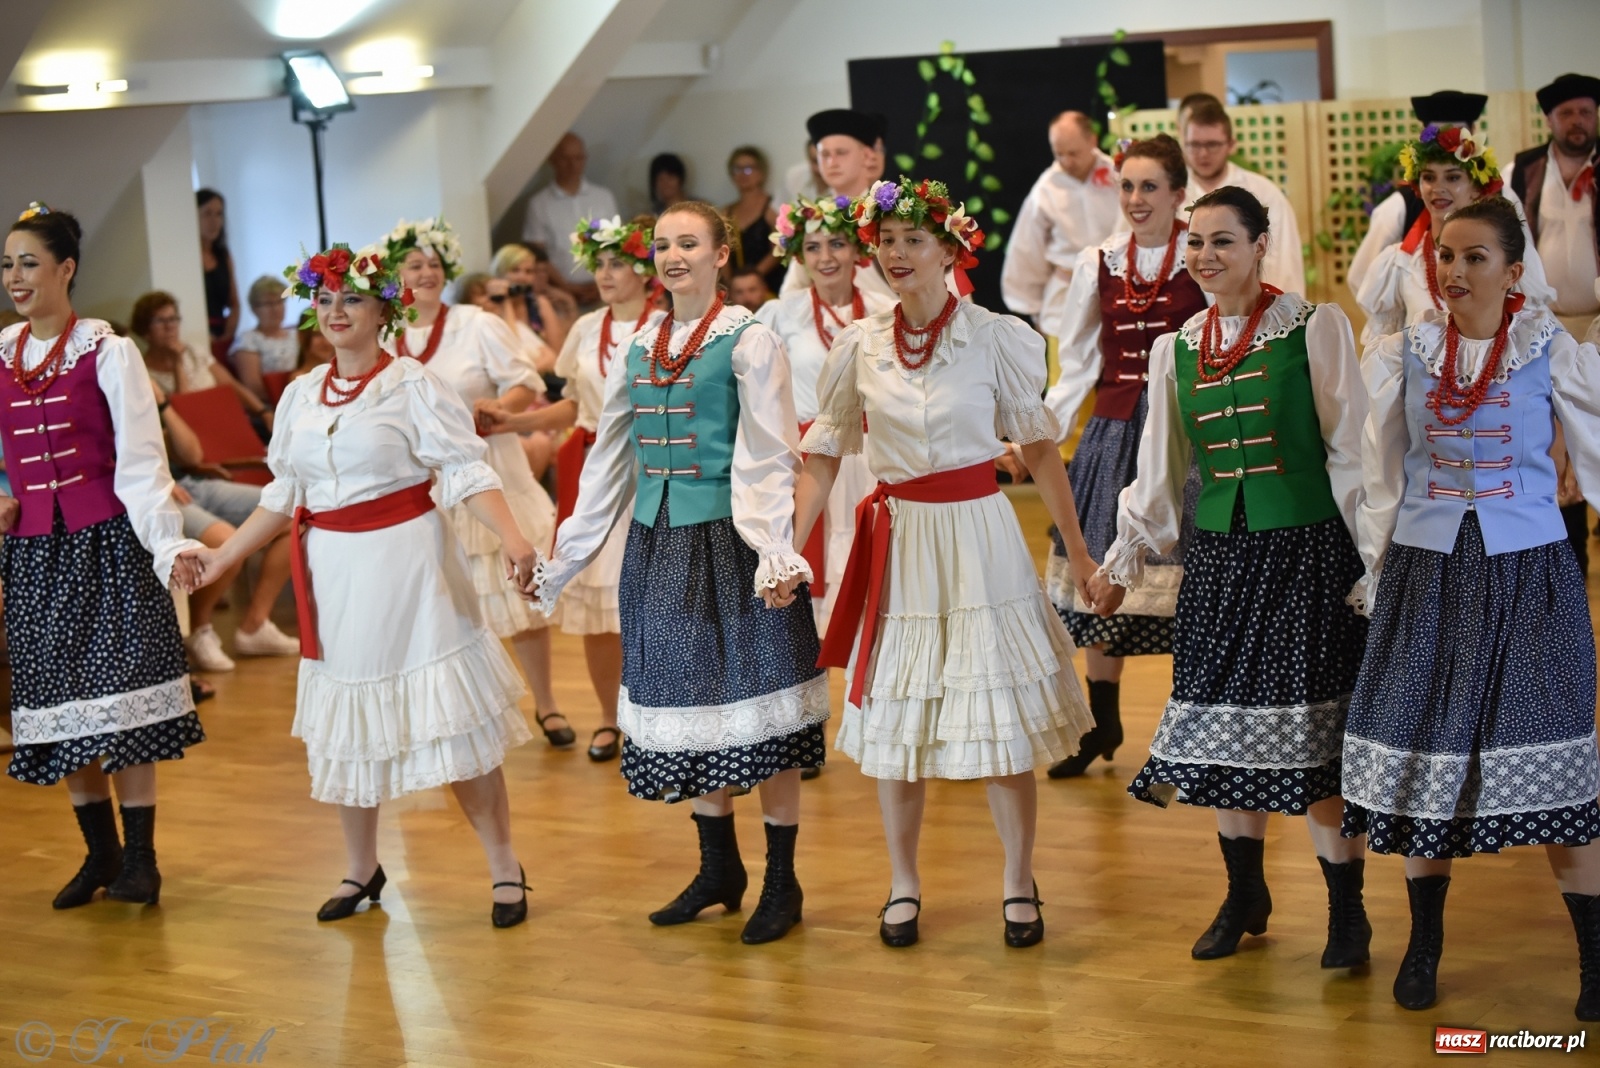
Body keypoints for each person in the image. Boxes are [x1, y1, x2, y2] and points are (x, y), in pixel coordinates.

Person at [181, 242, 540, 927]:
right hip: (335, 572)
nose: (336, 311)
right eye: (324, 299)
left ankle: (503, 867)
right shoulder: (299, 396)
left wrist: (516, 541)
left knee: (451, 721)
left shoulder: (411, 383)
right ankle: (360, 867)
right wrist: (223, 562)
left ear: (383, 309)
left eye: (352, 298)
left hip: (412, 568)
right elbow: (284, 494)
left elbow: (465, 472)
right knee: (347, 723)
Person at [793, 176, 1095, 949]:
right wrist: (786, 550)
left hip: (980, 535)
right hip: (901, 538)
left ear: (949, 250)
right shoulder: (857, 346)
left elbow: (1039, 451)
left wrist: (1082, 553)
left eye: (913, 241)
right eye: (886, 242)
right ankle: (902, 883)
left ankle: (1018, 880)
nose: (896, 254)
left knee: (999, 714)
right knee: (897, 712)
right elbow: (823, 456)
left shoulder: (996, 336)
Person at [1088, 186, 1372, 969]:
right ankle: (1244, 893)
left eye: (1223, 241)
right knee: (1226, 733)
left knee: (1313, 742)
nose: (1206, 257)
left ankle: (1347, 913)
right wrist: (1124, 558)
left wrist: (1374, 559)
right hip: (1219, 559)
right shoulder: (1175, 347)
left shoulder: (1315, 328)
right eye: (1197, 244)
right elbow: (1159, 469)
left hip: (1307, 554)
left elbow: (1352, 451)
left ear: (1259, 245)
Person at [531, 201, 825, 945]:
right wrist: (563, 559)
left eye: (688, 243)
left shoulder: (750, 340)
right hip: (659, 546)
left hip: (735, 545)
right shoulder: (638, 344)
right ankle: (718, 868)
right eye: (661, 244)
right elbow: (607, 466)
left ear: (722, 255)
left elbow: (766, 453)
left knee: (764, 706)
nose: (673, 256)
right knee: (693, 707)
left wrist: (772, 548)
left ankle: (783, 882)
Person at [1343, 196, 1600, 1019]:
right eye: (1445, 257)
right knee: (1427, 763)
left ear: (1515, 271)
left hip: (1529, 572)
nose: (1455, 271)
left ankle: (1596, 962)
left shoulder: (1551, 348)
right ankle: (1423, 946)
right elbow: (1372, 467)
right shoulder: (1402, 352)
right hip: (1428, 574)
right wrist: (1369, 561)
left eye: (1476, 257)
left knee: (1555, 763)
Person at [1, 202, 206, 910]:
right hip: (34, 556)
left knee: (123, 704)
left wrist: (168, 542)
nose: (16, 277)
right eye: (7, 264)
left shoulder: (110, 351)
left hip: (109, 545)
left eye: (29, 262)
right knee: (59, 705)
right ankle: (100, 854)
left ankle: (142, 860)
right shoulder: (0, 355)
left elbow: (143, 466)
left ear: (66, 268)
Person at [1040, 134, 1209, 780]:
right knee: (1100, 589)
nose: (1136, 200)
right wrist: (1044, 432)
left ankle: (1186, 737)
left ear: (1177, 194)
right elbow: (1080, 360)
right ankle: (1100, 721)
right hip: (1114, 433)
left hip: (1187, 435)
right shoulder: (1100, 262)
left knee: (1189, 590)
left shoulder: (1202, 252)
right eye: (1128, 187)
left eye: (1150, 188)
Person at [482, 214, 663, 763]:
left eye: (619, 263)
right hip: (597, 473)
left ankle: (665, 721)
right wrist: (509, 424)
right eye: (600, 264)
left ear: (645, 268)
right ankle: (610, 720)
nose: (606, 274)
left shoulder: (672, 323)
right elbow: (577, 407)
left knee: (659, 602)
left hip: (658, 470)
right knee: (600, 604)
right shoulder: (587, 328)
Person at [383, 218, 569, 750]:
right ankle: (461, 714)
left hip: (487, 468)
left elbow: (525, 382)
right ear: (396, 277)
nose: (425, 273)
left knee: (518, 601)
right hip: (421, 483)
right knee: (442, 606)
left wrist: (500, 408)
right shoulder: (382, 331)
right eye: (414, 265)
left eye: (434, 265)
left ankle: (548, 705)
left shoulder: (476, 323)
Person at [756, 194, 894, 632]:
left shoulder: (885, 311)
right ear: (799, 256)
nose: (826, 257)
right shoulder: (781, 314)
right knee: (812, 592)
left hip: (874, 453)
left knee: (875, 576)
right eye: (813, 247)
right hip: (812, 458)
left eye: (836, 244)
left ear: (857, 249)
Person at [1356, 124, 1552, 349]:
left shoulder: (1503, 256)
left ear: (1477, 189)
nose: (1437, 188)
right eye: (1429, 177)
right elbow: (1385, 348)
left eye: (1452, 178)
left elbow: (1533, 335)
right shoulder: (1399, 263)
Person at [155, 374, 302, 672]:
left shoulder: (147, 398)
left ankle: (255, 625)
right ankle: (199, 632)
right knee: (225, 542)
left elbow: (192, 454)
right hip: (155, 494)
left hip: (191, 482)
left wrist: (162, 405)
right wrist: (155, 481)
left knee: (295, 514)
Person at [1000, 111, 1121, 376]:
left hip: (1119, 291)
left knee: (1119, 384)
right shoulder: (1046, 187)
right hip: (1065, 297)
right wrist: (1032, 308)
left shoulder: (1119, 175)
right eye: (1059, 154)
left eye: (1074, 153)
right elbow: (1027, 249)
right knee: (1066, 392)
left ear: (1093, 140)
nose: (1066, 161)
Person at [1347, 91, 1488, 297]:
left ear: (1472, 136)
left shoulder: (1502, 199)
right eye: (1429, 178)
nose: (1445, 143)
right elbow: (1360, 278)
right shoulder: (1400, 205)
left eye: (1453, 177)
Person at [1176, 97, 1306, 294]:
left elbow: (1283, 266)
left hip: (1253, 314)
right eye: (1194, 145)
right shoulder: (1173, 195)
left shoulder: (1263, 193)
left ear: (1231, 144)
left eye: (1212, 145)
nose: (1203, 154)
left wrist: (1279, 318)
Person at [1510, 73, 1600, 340]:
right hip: (1542, 323)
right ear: (1549, 120)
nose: (1577, 121)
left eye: (1585, 112)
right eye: (1566, 113)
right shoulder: (1523, 170)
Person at [131, 291, 277, 441]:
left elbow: (232, 385)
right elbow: (183, 412)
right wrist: (177, 364)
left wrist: (263, 412)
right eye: (160, 321)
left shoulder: (195, 351)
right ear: (145, 330)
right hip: (194, 439)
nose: (170, 326)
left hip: (226, 424)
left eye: (173, 319)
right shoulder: (145, 374)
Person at [781, 110, 894, 300]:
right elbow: (792, 292)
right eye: (824, 154)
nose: (832, 163)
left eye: (841, 153)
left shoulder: (890, 212)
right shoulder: (812, 219)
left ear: (867, 156)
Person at [522, 133, 619, 305]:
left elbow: (617, 245)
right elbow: (538, 255)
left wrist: (602, 283)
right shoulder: (539, 203)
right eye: (565, 159)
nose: (572, 165)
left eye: (578, 158)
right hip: (560, 294)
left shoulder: (603, 197)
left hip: (605, 290)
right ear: (552, 159)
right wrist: (566, 287)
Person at [492, 242, 572, 361]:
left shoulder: (540, 304)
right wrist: (505, 301)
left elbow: (557, 352)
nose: (522, 277)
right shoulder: (490, 307)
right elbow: (509, 351)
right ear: (500, 272)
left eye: (529, 272)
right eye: (515, 270)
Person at [724, 146, 785, 297]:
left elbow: (779, 249)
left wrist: (754, 278)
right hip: (737, 291)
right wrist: (732, 284)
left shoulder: (773, 208)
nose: (743, 174)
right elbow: (720, 250)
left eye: (749, 169)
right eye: (737, 169)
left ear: (761, 173)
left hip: (771, 287)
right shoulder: (725, 212)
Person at [232, 276, 300, 401]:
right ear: (254, 308)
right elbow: (254, 388)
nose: (276, 308)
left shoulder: (295, 334)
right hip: (273, 405)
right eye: (269, 303)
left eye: (280, 302)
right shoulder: (247, 340)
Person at [197, 189, 240, 361]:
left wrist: (227, 335)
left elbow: (234, 304)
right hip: (198, 334)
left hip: (222, 334)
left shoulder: (223, 255)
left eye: (219, 214)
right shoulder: (187, 259)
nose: (214, 221)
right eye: (207, 214)